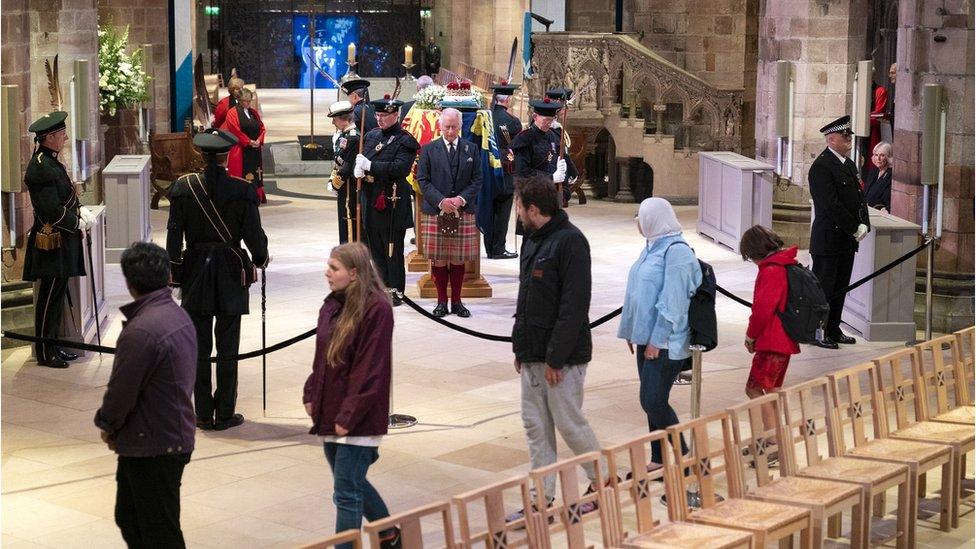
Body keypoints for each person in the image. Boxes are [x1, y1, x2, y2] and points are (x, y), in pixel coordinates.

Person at [510, 175, 605, 517]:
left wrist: (556, 358)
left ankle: (603, 480)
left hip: (561, 358)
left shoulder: (571, 242)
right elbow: (526, 297)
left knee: (568, 423)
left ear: (532, 208)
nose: (516, 212)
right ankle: (540, 499)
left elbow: (574, 305)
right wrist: (519, 348)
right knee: (535, 426)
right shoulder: (532, 240)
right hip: (532, 351)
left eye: (519, 206)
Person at [95, 242, 197, 549]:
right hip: (163, 435)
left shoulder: (142, 331)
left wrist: (107, 423)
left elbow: (122, 391)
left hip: (154, 442)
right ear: (168, 275)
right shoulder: (177, 315)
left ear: (128, 283)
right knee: (131, 517)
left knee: (159, 533)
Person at [166, 128, 270, 431]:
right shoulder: (242, 189)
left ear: (200, 154)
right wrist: (261, 259)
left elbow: (174, 236)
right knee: (228, 346)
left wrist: (175, 274)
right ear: (227, 155)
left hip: (196, 269)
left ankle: (201, 412)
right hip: (229, 270)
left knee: (197, 346)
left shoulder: (183, 188)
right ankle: (225, 412)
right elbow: (255, 238)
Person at [303, 242, 401, 549]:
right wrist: (310, 391)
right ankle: (389, 535)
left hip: (360, 414)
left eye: (334, 268)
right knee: (351, 483)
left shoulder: (377, 309)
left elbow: (370, 369)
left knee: (345, 491)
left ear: (354, 273)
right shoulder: (332, 304)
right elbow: (323, 356)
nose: (327, 273)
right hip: (331, 406)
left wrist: (348, 415)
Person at [617, 198, 701, 470]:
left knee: (651, 399)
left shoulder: (677, 253)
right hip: (647, 339)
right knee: (653, 401)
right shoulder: (652, 246)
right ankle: (658, 457)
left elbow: (673, 302)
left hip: (665, 341)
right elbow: (638, 291)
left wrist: (656, 340)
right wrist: (633, 330)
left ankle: (685, 456)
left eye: (641, 216)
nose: (638, 222)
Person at [22, 110, 96, 368]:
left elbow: (66, 195)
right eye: (61, 133)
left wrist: (80, 210)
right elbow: (50, 210)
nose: (65, 136)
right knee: (49, 298)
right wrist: (76, 222)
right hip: (52, 242)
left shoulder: (51, 162)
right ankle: (45, 351)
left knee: (58, 296)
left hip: (63, 241)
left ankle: (54, 346)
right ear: (49, 137)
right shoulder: (40, 167)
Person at [808, 115, 870, 349]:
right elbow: (831, 205)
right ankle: (819, 332)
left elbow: (858, 198)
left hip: (845, 239)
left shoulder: (847, 164)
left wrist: (863, 222)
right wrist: (854, 227)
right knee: (824, 289)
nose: (849, 140)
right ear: (831, 139)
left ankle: (833, 328)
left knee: (840, 287)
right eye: (845, 136)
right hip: (828, 239)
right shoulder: (821, 167)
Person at [416, 108, 483, 318]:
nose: (451, 131)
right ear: (440, 126)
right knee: (439, 259)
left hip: (463, 211)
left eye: (454, 127)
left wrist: (460, 199)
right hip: (436, 211)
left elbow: (478, 179)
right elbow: (422, 180)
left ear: (460, 126)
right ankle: (441, 302)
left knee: (457, 259)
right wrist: (441, 201)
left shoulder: (471, 149)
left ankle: (457, 301)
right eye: (447, 127)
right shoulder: (428, 149)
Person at [354, 95, 420, 306]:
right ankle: (381, 286)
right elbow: (365, 157)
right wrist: (359, 169)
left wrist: (370, 166)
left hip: (391, 200)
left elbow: (399, 168)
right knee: (375, 247)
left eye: (384, 115)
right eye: (378, 115)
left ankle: (395, 290)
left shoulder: (405, 140)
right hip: (370, 198)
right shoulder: (372, 135)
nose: (380, 119)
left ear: (396, 115)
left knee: (392, 248)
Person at [739, 225, 799, 435]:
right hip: (784, 339)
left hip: (772, 340)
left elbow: (762, 310)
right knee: (772, 390)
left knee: (754, 389)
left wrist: (750, 336)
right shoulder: (784, 263)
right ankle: (775, 436)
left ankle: (771, 440)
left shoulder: (771, 270)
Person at [510, 97, 578, 210]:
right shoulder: (525, 138)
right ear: (535, 117)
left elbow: (558, 166)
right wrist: (551, 177)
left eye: (551, 120)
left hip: (551, 196)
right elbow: (523, 172)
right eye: (545, 120)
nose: (549, 124)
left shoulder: (554, 136)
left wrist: (564, 190)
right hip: (531, 195)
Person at [486, 80, 521, 259]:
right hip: (506, 170)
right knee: (503, 211)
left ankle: (489, 247)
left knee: (489, 208)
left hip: (487, 169)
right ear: (508, 100)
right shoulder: (513, 122)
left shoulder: (485, 117)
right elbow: (516, 147)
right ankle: (498, 249)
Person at [222, 88, 267, 203]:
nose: (247, 103)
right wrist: (248, 141)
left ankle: (256, 196)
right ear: (239, 100)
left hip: (255, 150)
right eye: (245, 101)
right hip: (241, 150)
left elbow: (262, 128)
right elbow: (234, 130)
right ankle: (242, 198)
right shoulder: (232, 113)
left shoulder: (253, 113)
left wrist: (259, 140)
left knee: (256, 174)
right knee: (241, 174)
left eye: (249, 101)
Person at [329, 101, 361, 244]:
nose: (333, 123)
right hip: (344, 185)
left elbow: (346, 168)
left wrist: (335, 184)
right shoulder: (345, 135)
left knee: (348, 217)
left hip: (349, 187)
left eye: (334, 120)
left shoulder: (352, 138)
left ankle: (349, 253)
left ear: (343, 119)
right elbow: (338, 163)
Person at [864, 141, 892, 211]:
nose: (878, 158)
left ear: (888, 157)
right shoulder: (873, 171)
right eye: (876, 155)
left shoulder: (891, 175)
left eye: (882, 155)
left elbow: (887, 199)